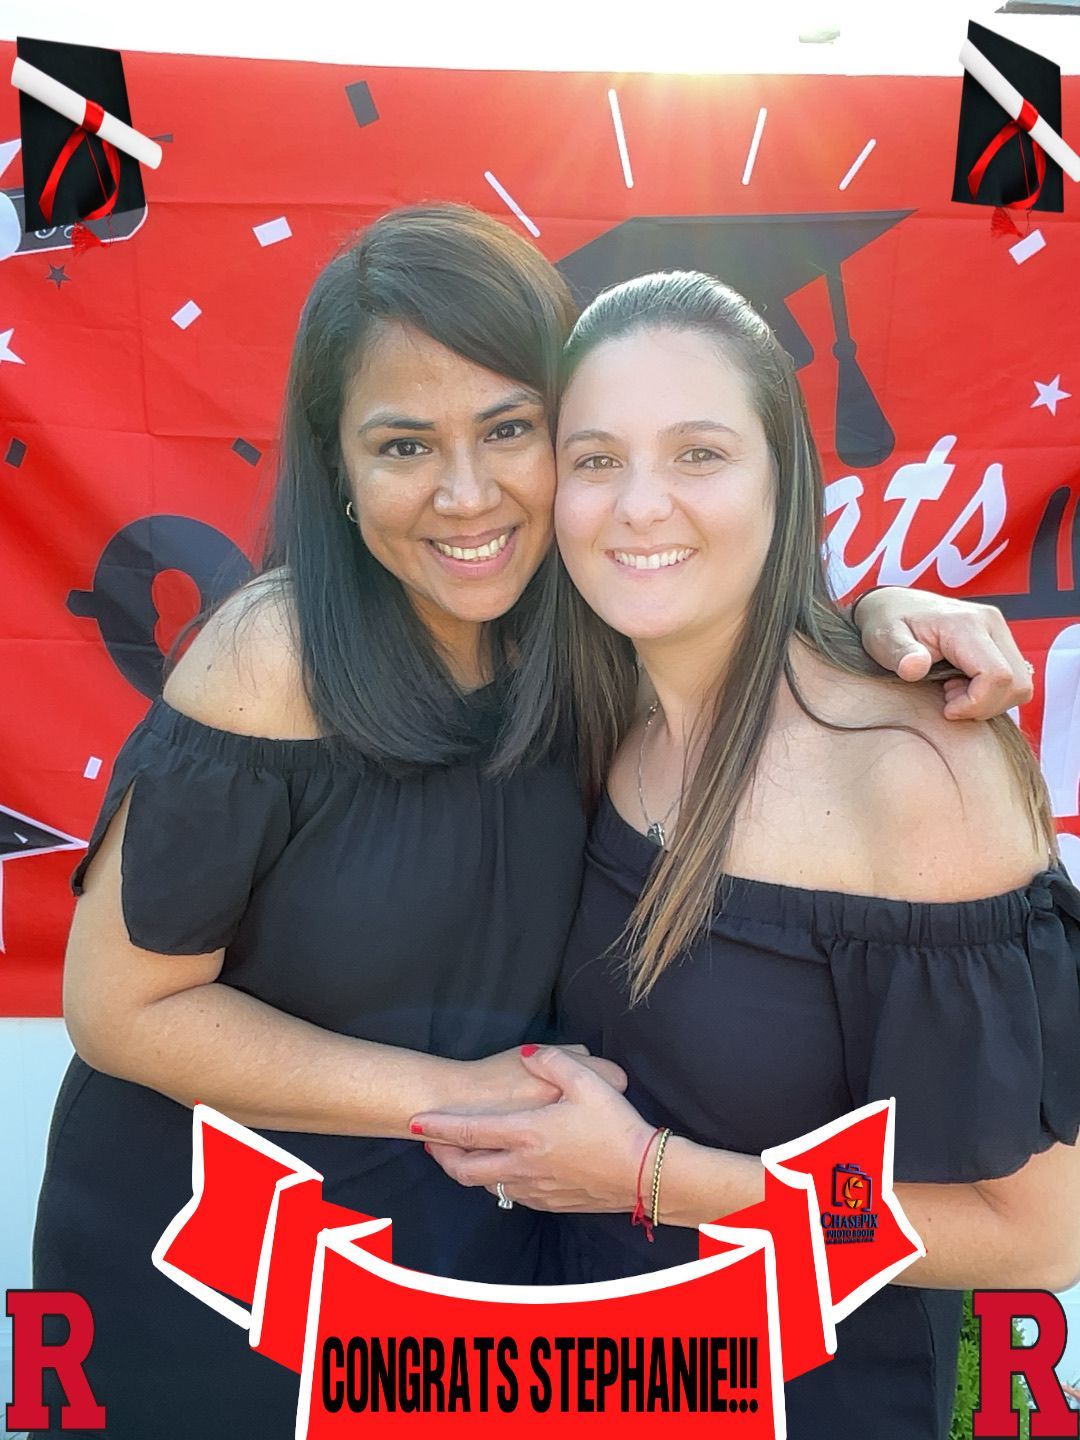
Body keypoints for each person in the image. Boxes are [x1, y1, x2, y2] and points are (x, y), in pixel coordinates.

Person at [33, 207, 1031, 1440]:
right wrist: (468, 1097)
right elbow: (120, 1007)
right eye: (403, 444)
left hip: (470, 1289)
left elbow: (741, 606)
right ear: (336, 468)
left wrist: (876, 617)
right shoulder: (273, 657)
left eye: (510, 430)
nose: (465, 495)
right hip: (213, 1280)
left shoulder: (594, 640)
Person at [410, 269, 1080, 1440]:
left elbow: (1036, 1232)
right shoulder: (601, 715)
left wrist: (651, 1176)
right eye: (598, 459)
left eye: (699, 454)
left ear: (785, 477)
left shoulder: (912, 772)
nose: (639, 506)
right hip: (602, 1379)